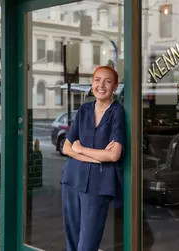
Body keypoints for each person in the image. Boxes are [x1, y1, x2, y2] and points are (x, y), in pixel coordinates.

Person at [61, 66, 126, 251]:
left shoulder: (117, 113)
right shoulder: (84, 110)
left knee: (87, 245)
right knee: (72, 242)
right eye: (97, 80)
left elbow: (113, 155)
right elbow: (67, 147)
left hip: (98, 185)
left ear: (115, 86)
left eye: (107, 81)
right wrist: (96, 156)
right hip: (72, 180)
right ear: (92, 83)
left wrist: (81, 149)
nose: (101, 85)